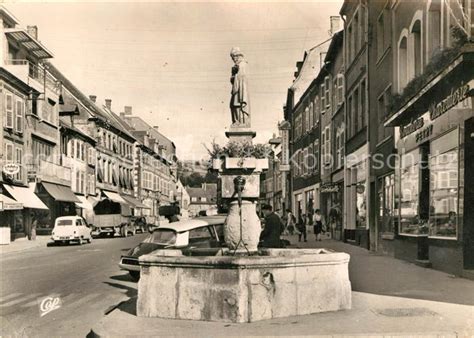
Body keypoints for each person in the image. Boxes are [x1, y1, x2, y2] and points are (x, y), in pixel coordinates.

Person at [229, 47, 250, 126]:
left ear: (237, 56)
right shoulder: (237, 65)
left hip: (240, 89)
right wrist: (233, 75)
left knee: (236, 104)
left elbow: (242, 77)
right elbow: (233, 79)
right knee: (232, 105)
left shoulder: (242, 64)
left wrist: (235, 74)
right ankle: (236, 121)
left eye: (233, 57)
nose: (233, 59)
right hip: (236, 88)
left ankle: (239, 121)